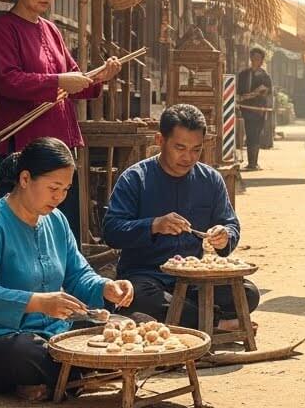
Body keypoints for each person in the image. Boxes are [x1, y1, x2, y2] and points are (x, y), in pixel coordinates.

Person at [0, 137, 135, 402]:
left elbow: (77, 274)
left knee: (127, 328)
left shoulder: (56, 221)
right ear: (25, 179)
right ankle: (72, 377)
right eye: (53, 188)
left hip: (52, 334)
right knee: (32, 354)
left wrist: (106, 287)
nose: (59, 198)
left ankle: (55, 381)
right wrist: (37, 302)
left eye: (65, 190)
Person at [0, 0, 121, 230]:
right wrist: (60, 81)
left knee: (62, 224)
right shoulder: (4, 29)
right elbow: (8, 81)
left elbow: (74, 80)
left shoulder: (52, 29)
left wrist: (98, 77)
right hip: (24, 144)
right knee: (22, 225)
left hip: (59, 145)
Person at [103, 104, 260, 331]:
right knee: (139, 297)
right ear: (160, 140)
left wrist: (225, 236)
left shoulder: (211, 180)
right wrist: (153, 225)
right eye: (180, 148)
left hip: (194, 280)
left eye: (196, 149)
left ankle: (187, 319)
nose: (188, 157)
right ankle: (216, 324)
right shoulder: (136, 178)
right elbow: (111, 231)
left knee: (248, 293)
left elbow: (230, 224)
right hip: (147, 276)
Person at [236, 46, 274, 170]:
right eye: (253, 58)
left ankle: (254, 163)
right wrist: (245, 97)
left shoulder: (265, 76)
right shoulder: (243, 74)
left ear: (262, 60)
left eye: (258, 58)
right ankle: (251, 163)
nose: (255, 60)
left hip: (259, 111)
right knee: (250, 134)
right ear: (250, 59)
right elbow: (239, 92)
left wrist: (255, 95)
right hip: (246, 110)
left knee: (256, 135)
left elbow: (267, 92)